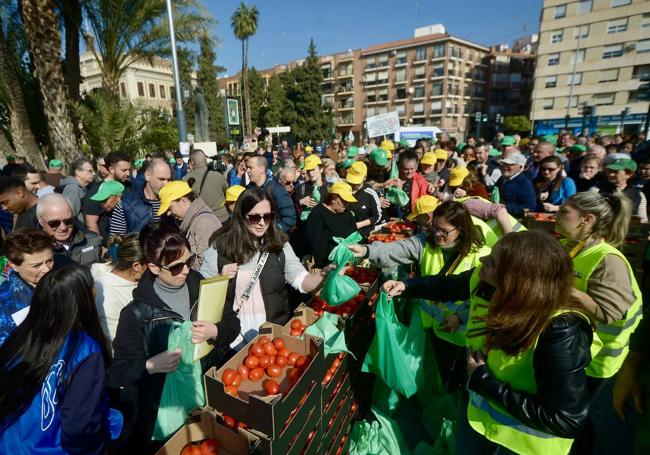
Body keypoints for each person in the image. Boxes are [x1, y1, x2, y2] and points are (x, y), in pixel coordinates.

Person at [383, 231, 592, 455]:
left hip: (523, 444)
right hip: (479, 417)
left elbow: (566, 419)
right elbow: (449, 286)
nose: (483, 260)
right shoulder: (485, 281)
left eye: (492, 262)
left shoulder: (560, 330)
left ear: (516, 280)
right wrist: (407, 286)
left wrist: (483, 380)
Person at [108, 225, 239, 450]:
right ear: (154, 268)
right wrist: (150, 365)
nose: (186, 270)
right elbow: (117, 374)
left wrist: (216, 331)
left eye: (189, 261)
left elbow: (232, 323)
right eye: (176, 267)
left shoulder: (199, 284)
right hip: (167, 414)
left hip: (210, 400)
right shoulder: (135, 314)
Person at [554, 191, 643, 452]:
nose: (556, 216)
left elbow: (608, 311)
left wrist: (561, 290)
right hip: (579, 356)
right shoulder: (574, 247)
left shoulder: (609, 260)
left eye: (563, 212)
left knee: (586, 433)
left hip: (599, 365)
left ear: (586, 219)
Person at [0, 265, 118, 453]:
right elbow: (79, 428)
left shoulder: (20, 336)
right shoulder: (84, 349)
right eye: (92, 286)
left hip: (11, 445)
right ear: (83, 297)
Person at [200, 188, 333, 348]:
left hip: (273, 334)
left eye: (268, 216)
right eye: (255, 217)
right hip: (233, 339)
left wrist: (324, 273)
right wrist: (220, 278)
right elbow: (202, 291)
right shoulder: (219, 247)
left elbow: (302, 281)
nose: (262, 222)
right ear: (241, 216)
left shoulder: (279, 245)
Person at [0, 229, 54, 345]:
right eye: (36, 265)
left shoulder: (65, 276)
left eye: (50, 261)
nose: (47, 269)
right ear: (13, 265)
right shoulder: (4, 303)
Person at [91, 233, 145, 343]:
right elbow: (117, 342)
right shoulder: (106, 296)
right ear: (137, 267)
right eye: (154, 264)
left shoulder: (137, 281)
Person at [157, 180, 222, 270]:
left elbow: (207, 267)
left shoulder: (203, 223)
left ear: (183, 201)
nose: (168, 213)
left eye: (170, 208)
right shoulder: (192, 222)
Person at [37, 193, 102, 267]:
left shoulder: (92, 240)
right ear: (41, 222)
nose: (63, 227)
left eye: (68, 221)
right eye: (54, 223)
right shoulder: (35, 250)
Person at [110, 158, 172, 235]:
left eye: (169, 180)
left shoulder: (173, 202)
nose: (166, 184)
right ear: (147, 176)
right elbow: (116, 241)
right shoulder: (125, 204)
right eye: (161, 179)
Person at [83, 152, 132, 236]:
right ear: (111, 169)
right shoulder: (96, 191)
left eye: (129, 170)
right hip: (109, 243)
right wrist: (101, 247)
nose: (128, 173)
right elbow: (91, 223)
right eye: (124, 170)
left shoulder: (129, 185)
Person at [246, 155, 296, 233]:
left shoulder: (277, 190)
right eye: (247, 167)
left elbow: (289, 218)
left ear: (262, 169)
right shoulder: (248, 189)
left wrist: (274, 235)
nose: (247, 171)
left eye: (250, 168)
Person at [185, 149, 229, 223]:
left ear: (192, 162)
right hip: (222, 219)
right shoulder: (218, 175)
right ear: (205, 160)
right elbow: (227, 193)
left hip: (201, 221)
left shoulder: (186, 179)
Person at [603, 158, 647, 223]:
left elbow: (642, 220)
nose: (610, 174)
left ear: (628, 174)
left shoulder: (638, 195)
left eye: (615, 172)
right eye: (610, 171)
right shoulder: (597, 190)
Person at [346, 161, 382, 238]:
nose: (354, 185)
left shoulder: (369, 193)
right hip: (346, 233)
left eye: (357, 182)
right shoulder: (344, 189)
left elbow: (377, 215)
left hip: (364, 234)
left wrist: (358, 225)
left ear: (364, 178)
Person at [496, 153, 537, 217]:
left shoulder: (524, 183)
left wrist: (505, 208)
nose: (505, 167)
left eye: (510, 164)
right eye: (504, 164)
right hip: (497, 216)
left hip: (515, 221)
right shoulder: (502, 179)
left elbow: (530, 207)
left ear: (520, 167)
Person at [294, 154, 330, 221]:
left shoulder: (330, 188)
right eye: (308, 170)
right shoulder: (301, 188)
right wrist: (299, 203)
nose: (310, 173)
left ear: (321, 169)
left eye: (313, 169)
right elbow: (293, 213)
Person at [59, 157, 95, 224]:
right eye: (90, 171)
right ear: (78, 172)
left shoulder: (82, 187)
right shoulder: (73, 189)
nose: (93, 173)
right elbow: (69, 215)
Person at [397, 149, 429, 219]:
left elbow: (424, 203)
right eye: (406, 169)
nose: (410, 172)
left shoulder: (420, 181)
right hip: (393, 219)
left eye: (412, 168)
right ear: (400, 167)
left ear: (416, 166)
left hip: (412, 221)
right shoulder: (394, 177)